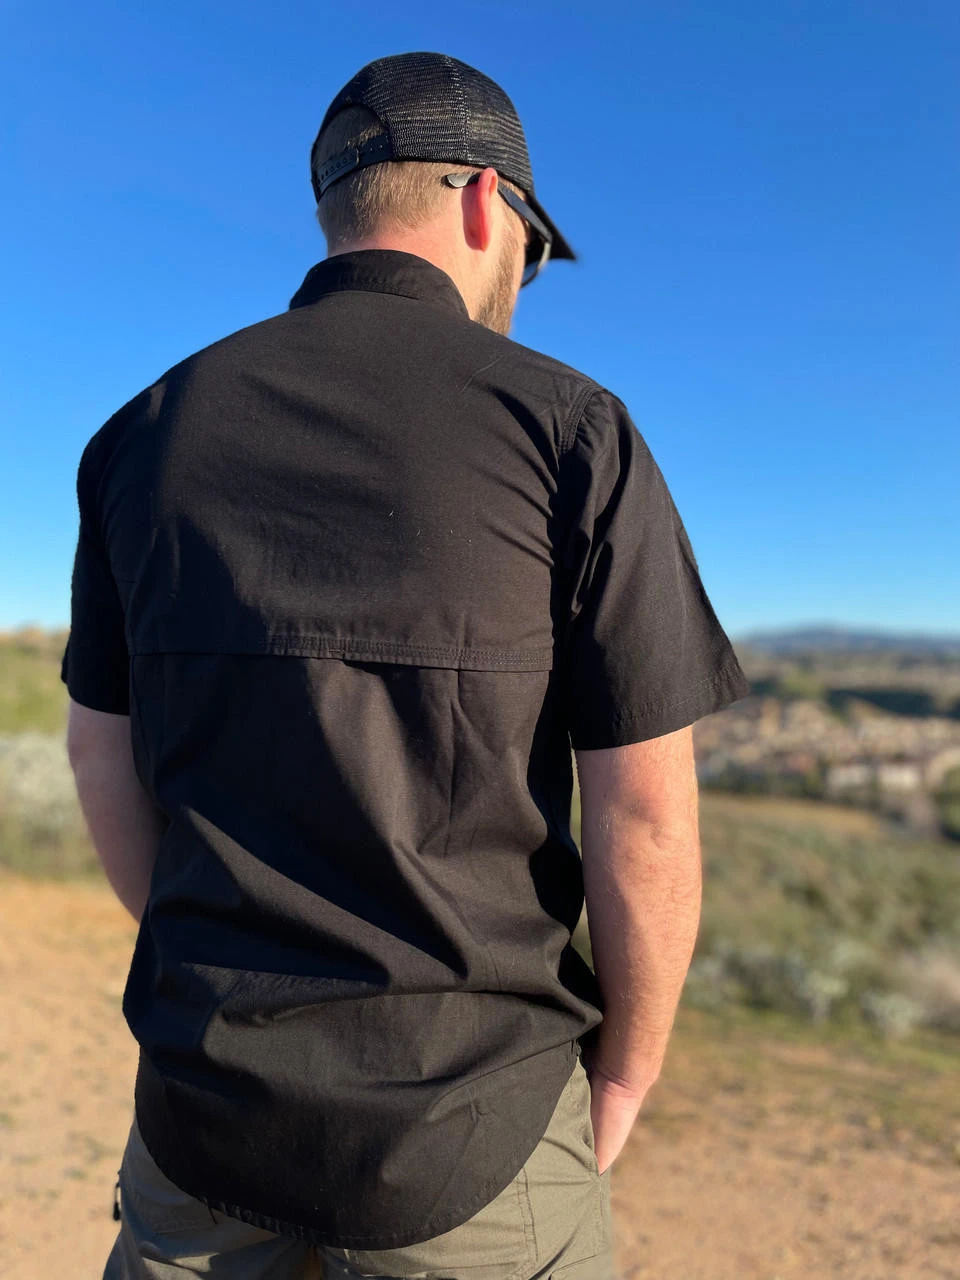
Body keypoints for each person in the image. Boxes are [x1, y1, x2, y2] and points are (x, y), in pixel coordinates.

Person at [60, 51, 752, 1280]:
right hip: (472, 1128)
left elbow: (98, 753)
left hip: (199, 1109)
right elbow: (646, 817)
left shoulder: (141, 435)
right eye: (534, 251)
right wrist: (629, 1072)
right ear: (489, 202)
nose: (525, 280)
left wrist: (216, 970)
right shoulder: (571, 431)